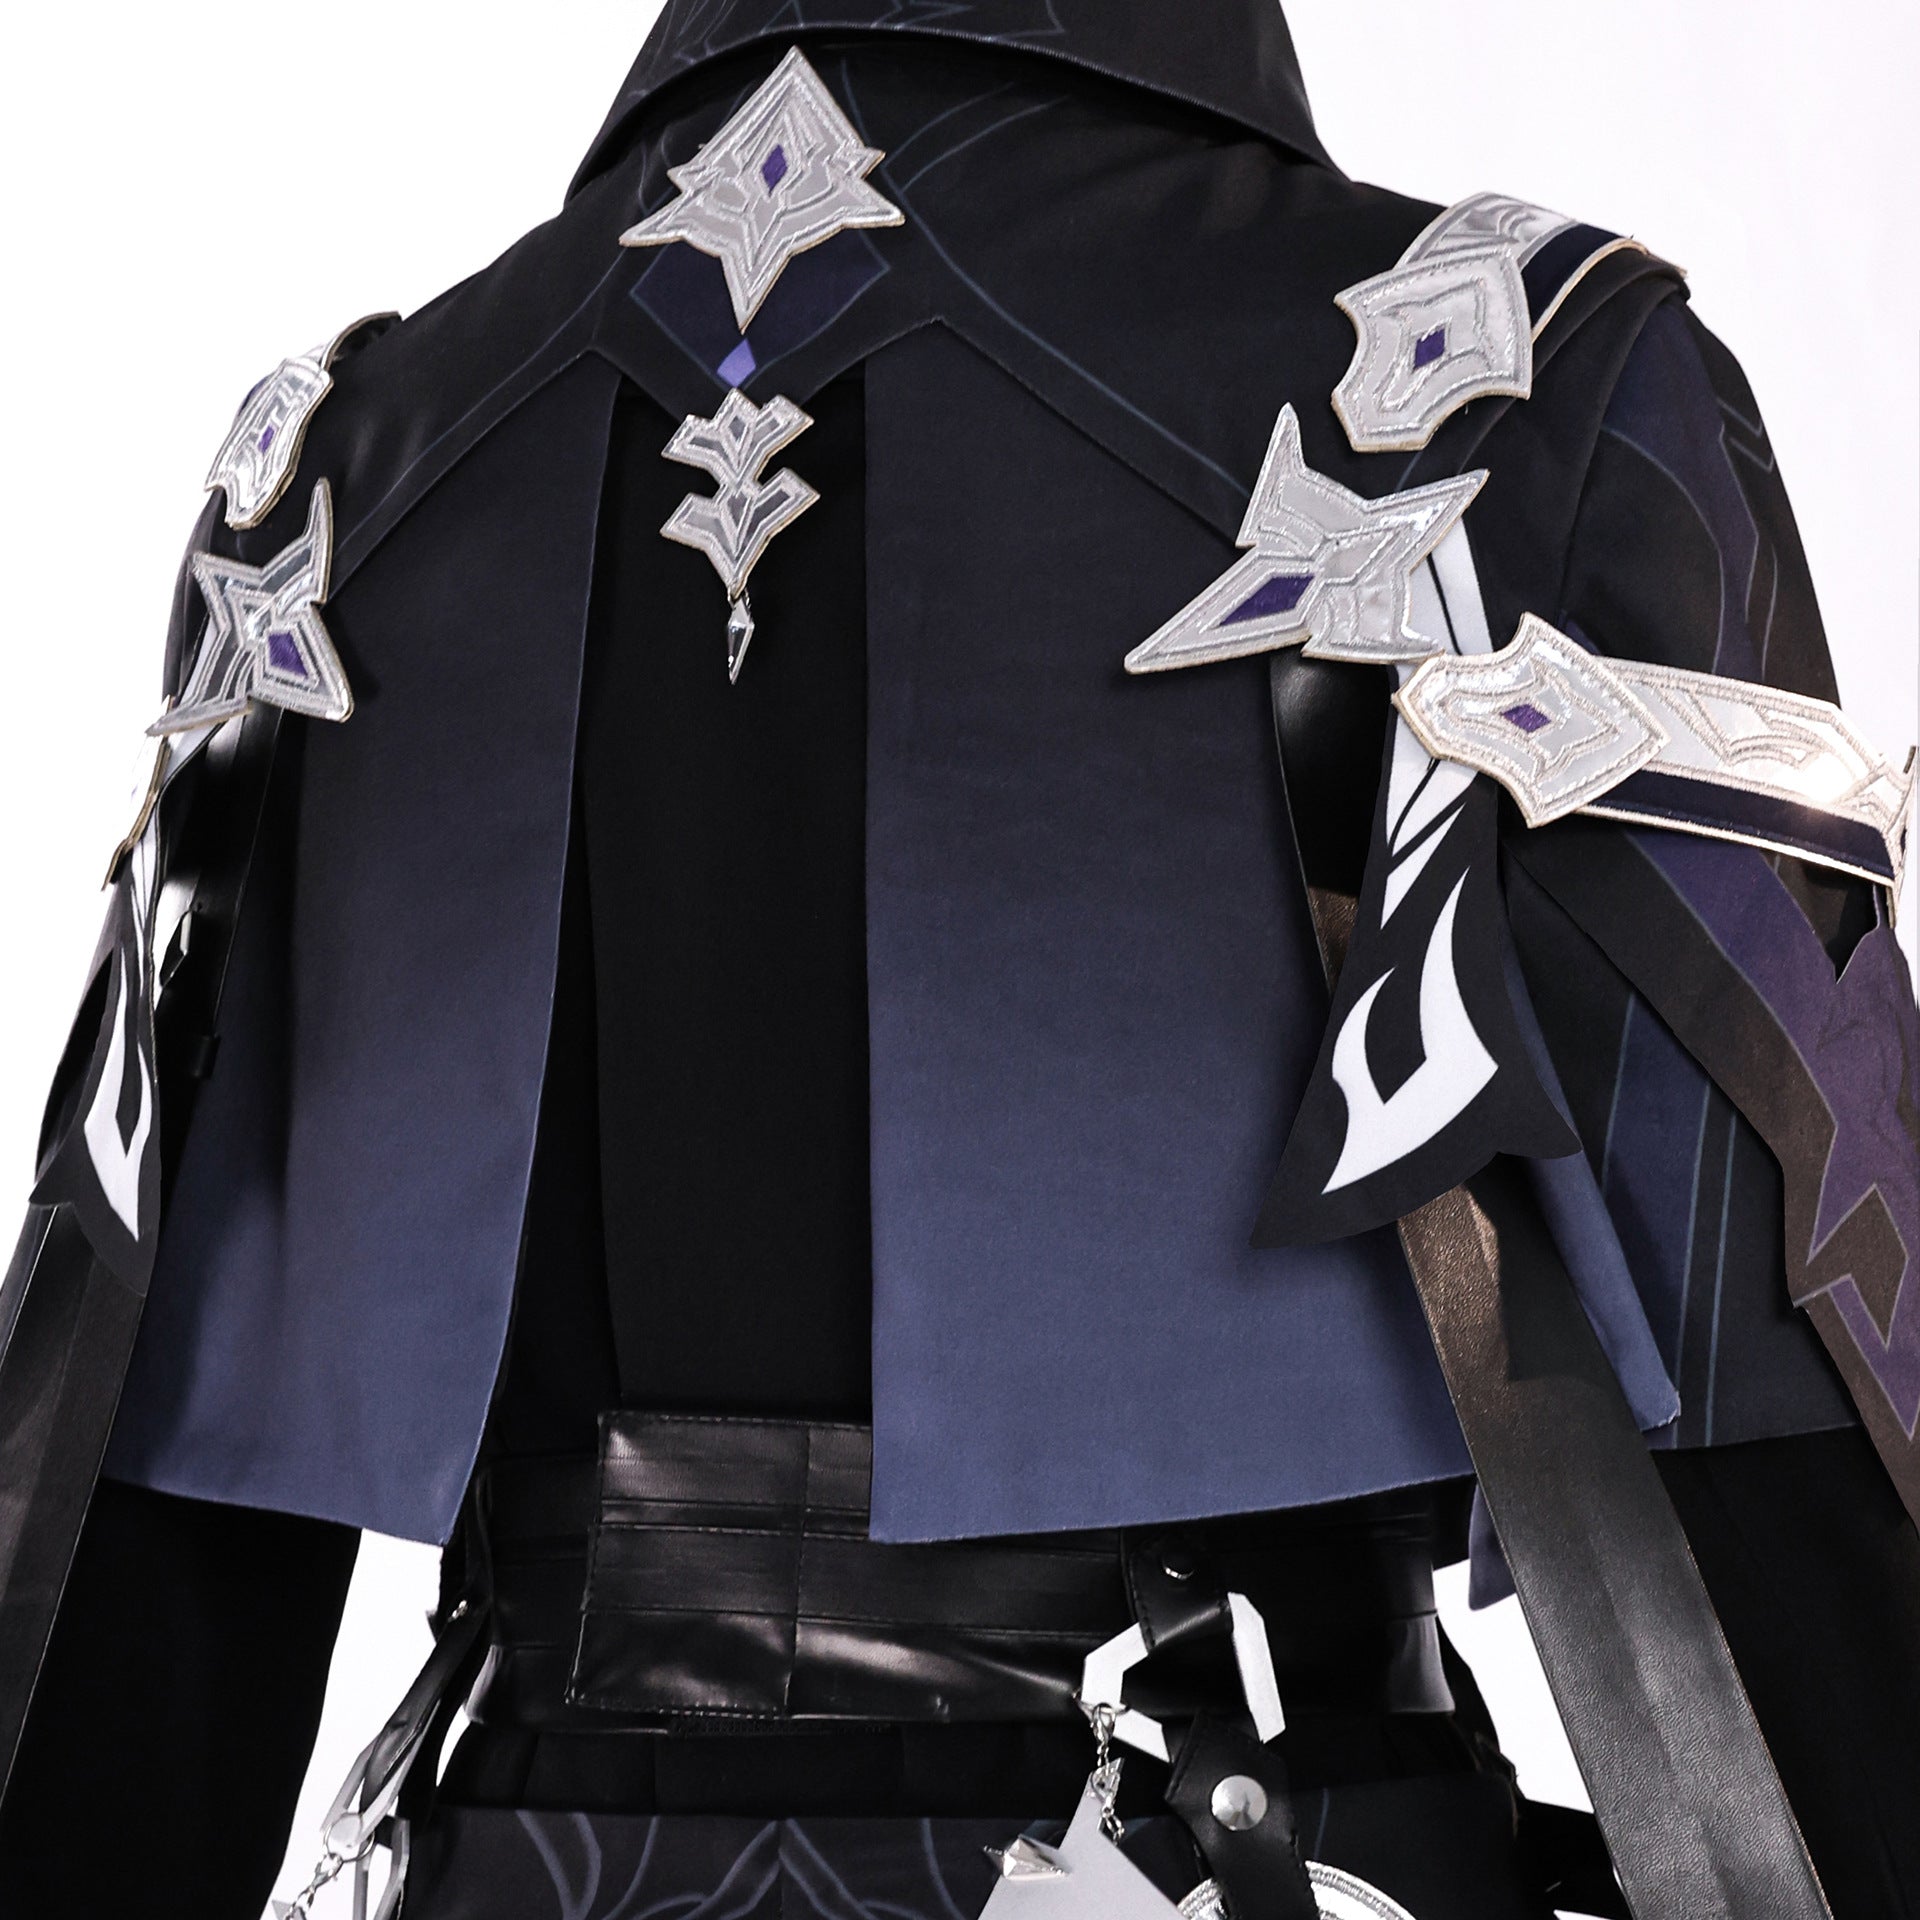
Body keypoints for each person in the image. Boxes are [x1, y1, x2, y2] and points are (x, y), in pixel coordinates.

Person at [1, 4, 1916, 1917]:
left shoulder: (330, 477)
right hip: (1258, 1851)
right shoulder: (1524, 383)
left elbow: (110, 1586)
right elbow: (1794, 1460)